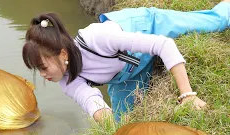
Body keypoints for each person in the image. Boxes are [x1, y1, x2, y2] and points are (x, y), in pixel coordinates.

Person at [22, 0, 230, 122]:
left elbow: (163, 45)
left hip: (149, 27)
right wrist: (110, 126)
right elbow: (92, 103)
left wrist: (187, 95)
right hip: (127, 75)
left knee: (216, 22)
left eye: (43, 66)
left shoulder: (97, 38)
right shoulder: (66, 81)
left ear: (63, 54)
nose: (42, 74)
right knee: (122, 123)